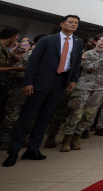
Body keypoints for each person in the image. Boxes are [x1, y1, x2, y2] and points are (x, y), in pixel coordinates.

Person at [3, 15, 83, 167]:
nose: (73, 25)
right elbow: (33, 63)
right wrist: (28, 83)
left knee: (45, 118)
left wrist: (73, 80)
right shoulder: (48, 40)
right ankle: (13, 152)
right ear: (62, 24)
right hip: (41, 82)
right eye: (70, 22)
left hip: (61, 82)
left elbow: (76, 62)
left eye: (76, 23)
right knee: (27, 118)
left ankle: (33, 150)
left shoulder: (78, 42)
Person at [60, 34, 103, 152]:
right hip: (84, 87)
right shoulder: (88, 54)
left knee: (89, 115)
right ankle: (67, 140)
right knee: (76, 113)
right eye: (102, 41)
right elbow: (88, 68)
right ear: (95, 42)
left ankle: (76, 138)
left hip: (99, 88)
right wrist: (102, 58)